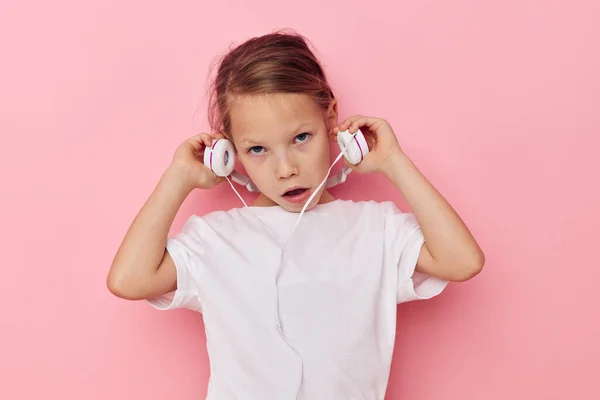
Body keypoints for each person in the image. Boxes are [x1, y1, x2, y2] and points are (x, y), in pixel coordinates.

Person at [107, 30, 485, 399]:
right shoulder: (215, 239)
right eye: (257, 149)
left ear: (331, 119)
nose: (285, 168)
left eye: (301, 138)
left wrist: (394, 163)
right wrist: (178, 178)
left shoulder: (376, 229)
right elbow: (129, 280)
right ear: (227, 150)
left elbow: (462, 262)